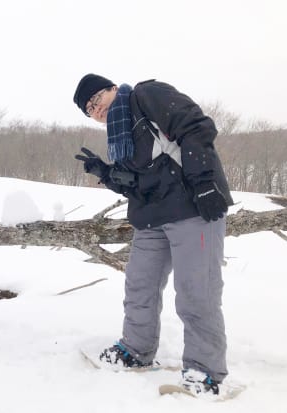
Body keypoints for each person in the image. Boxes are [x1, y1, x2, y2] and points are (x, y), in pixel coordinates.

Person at [73, 74, 233, 396]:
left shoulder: (146, 96)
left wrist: (204, 184)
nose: (95, 109)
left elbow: (196, 126)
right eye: (89, 109)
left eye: (96, 99)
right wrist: (104, 173)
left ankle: (205, 373)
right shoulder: (119, 135)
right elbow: (136, 183)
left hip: (192, 210)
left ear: (112, 89)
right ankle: (135, 351)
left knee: (195, 293)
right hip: (150, 219)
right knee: (139, 287)